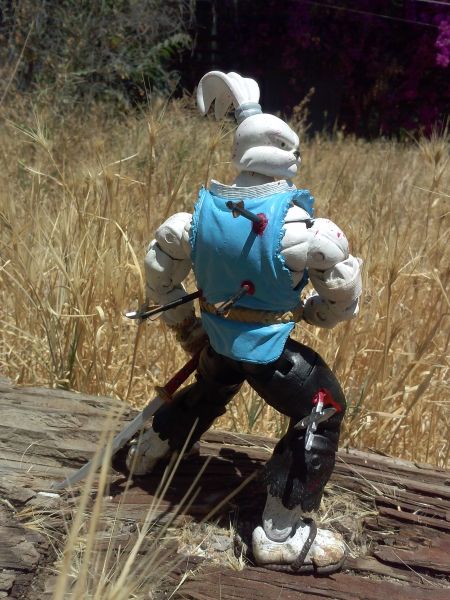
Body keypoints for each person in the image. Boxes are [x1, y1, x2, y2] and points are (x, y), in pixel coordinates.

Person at [127, 71, 362, 573]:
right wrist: (316, 314)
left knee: (213, 386)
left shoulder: (197, 217)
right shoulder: (302, 229)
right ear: (289, 155)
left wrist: (183, 322)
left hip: (217, 338)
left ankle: (151, 449)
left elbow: (158, 269)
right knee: (322, 407)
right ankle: (281, 531)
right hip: (269, 351)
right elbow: (342, 294)